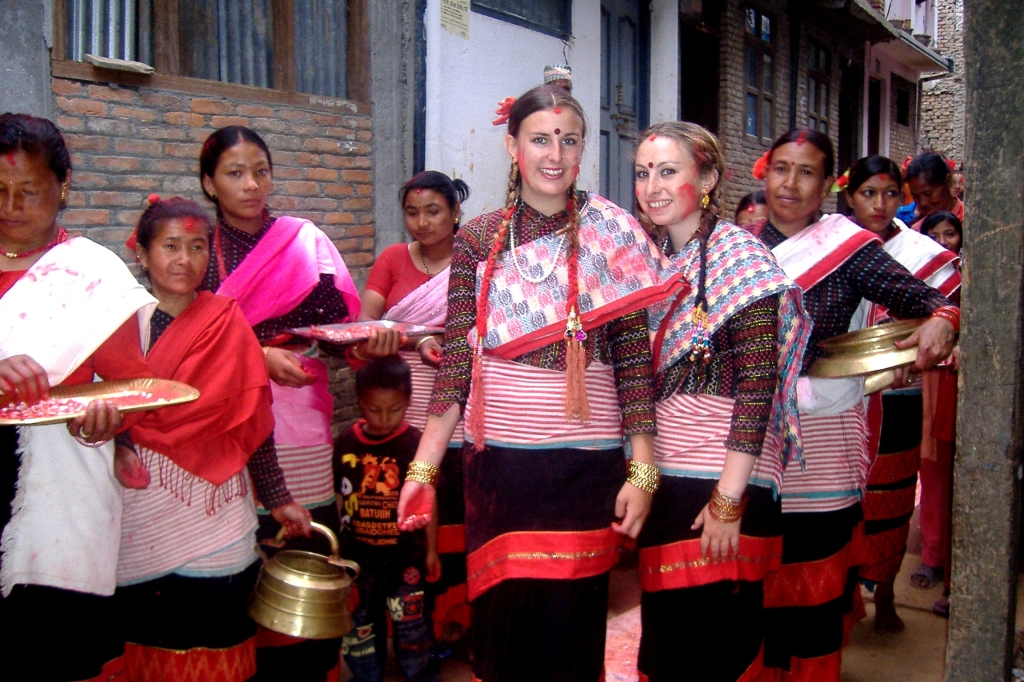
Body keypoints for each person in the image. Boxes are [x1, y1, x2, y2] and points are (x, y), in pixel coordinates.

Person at [396, 84, 685, 682]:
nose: (555, 153)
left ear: (583, 150)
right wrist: (422, 473)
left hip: (585, 470)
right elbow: (457, 365)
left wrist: (643, 470)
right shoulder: (477, 240)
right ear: (512, 147)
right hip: (501, 471)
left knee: (570, 634)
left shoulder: (614, 235)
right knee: (503, 636)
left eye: (569, 139)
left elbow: (633, 364)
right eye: (540, 139)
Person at [749, 127, 958, 681]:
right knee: (751, 584)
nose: (791, 183)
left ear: (826, 186)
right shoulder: (736, 250)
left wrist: (942, 323)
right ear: (764, 174)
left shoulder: (849, 251)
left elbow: (934, 300)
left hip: (821, 446)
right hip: (748, 444)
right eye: (781, 169)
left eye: (808, 171)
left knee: (812, 583)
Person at [633, 122, 810, 681]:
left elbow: (758, 387)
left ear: (707, 178)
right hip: (666, 477)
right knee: (667, 642)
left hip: (723, 482)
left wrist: (728, 499)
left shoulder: (743, 261)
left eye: (668, 171)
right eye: (642, 173)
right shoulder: (645, 258)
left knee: (714, 645)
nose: (652, 186)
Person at [115, 196, 311, 681]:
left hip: (216, 514)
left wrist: (279, 498)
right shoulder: (117, 325)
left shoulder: (228, 323)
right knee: (149, 641)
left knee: (219, 638)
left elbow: (251, 421)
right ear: (141, 253)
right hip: (137, 512)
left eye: (198, 246)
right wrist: (118, 445)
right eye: (170, 246)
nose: (185, 259)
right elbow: (100, 412)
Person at [198, 125, 361, 681]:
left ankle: (310, 661)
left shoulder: (303, 240)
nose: (251, 185)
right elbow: (187, 338)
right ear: (208, 182)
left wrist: (369, 342)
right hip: (224, 418)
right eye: (234, 173)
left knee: (306, 534)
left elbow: (339, 327)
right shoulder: (196, 250)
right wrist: (256, 356)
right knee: (241, 546)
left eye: (260, 171)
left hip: (299, 410)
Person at [0, 113, 157, 681]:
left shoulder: (90, 276)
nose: (12, 205)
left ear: (63, 188)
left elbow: (131, 391)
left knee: (49, 656)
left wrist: (108, 423)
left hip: (57, 508)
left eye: (29, 191)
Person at [842, 155, 961, 633]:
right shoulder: (828, 243)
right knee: (843, 502)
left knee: (889, 503)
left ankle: (886, 593)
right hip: (839, 395)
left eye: (890, 193)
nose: (879, 202)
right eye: (868, 192)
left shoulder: (922, 252)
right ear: (850, 196)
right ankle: (843, 599)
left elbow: (951, 306)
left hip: (901, 396)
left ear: (903, 197)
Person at [353, 170, 472, 642]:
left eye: (433, 211)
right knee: (404, 526)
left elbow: (480, 335)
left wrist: (427, 339)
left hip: (456, 414)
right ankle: (411, 635)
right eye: (412, 212)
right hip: (399, 417)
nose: (421, 222)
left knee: (455, 519)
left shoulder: (474, 261)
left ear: (455, 212)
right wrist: (411, 338)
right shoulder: (392, 259)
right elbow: (362, 329)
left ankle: (456, 626)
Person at [334, 356, 441, 682]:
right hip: (358, 560)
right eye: (374, 409)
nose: (383, 419)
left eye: (394, 409)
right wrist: (338, 550)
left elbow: (429, 502)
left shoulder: (415, 444)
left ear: (408, 401)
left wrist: (431, 550)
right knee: (360, 626)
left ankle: (420, 675)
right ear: (360, 402)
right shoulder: (345, 443)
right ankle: (368, 676)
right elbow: (340, 497)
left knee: (412, 628)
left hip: (404, 558)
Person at [918, 209, 963, 616]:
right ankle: (932, 555)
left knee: (957, 483)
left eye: (952, 233)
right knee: (932, 477)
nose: (944, 240)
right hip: (923, 390)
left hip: (957, 393)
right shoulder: (914, 277)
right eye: (935, 233)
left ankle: (954, 576)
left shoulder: (967, 281)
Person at [905, 152, 963, 231]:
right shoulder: (916, 233)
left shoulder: (970, 218)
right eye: (916, 197)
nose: (923, 203)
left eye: (928, 193)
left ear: (948, 181)